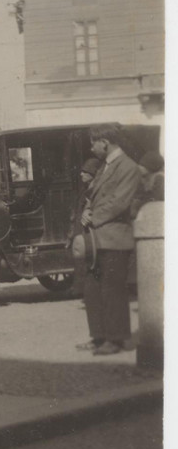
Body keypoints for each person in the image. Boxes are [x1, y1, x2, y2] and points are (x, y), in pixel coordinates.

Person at [77, 124, 142, 356]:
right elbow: (92, 194)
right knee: (93, 289)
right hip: (98, 238)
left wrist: (94, 216)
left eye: (93, 142)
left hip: (115, 238)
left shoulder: (128, 167)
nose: (91, 147)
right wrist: (86, 210)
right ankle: (99, 337)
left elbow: (119, 202)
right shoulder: (107, 166)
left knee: (113, 290)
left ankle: (116, 339)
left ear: (105, 141)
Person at [68, 157, 103, 298]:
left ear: (93, 174)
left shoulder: (93, 190)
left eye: (85, 172)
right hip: (81, 230)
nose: (81, 174)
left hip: (89, 232)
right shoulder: (86, 189)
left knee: (90, 259)